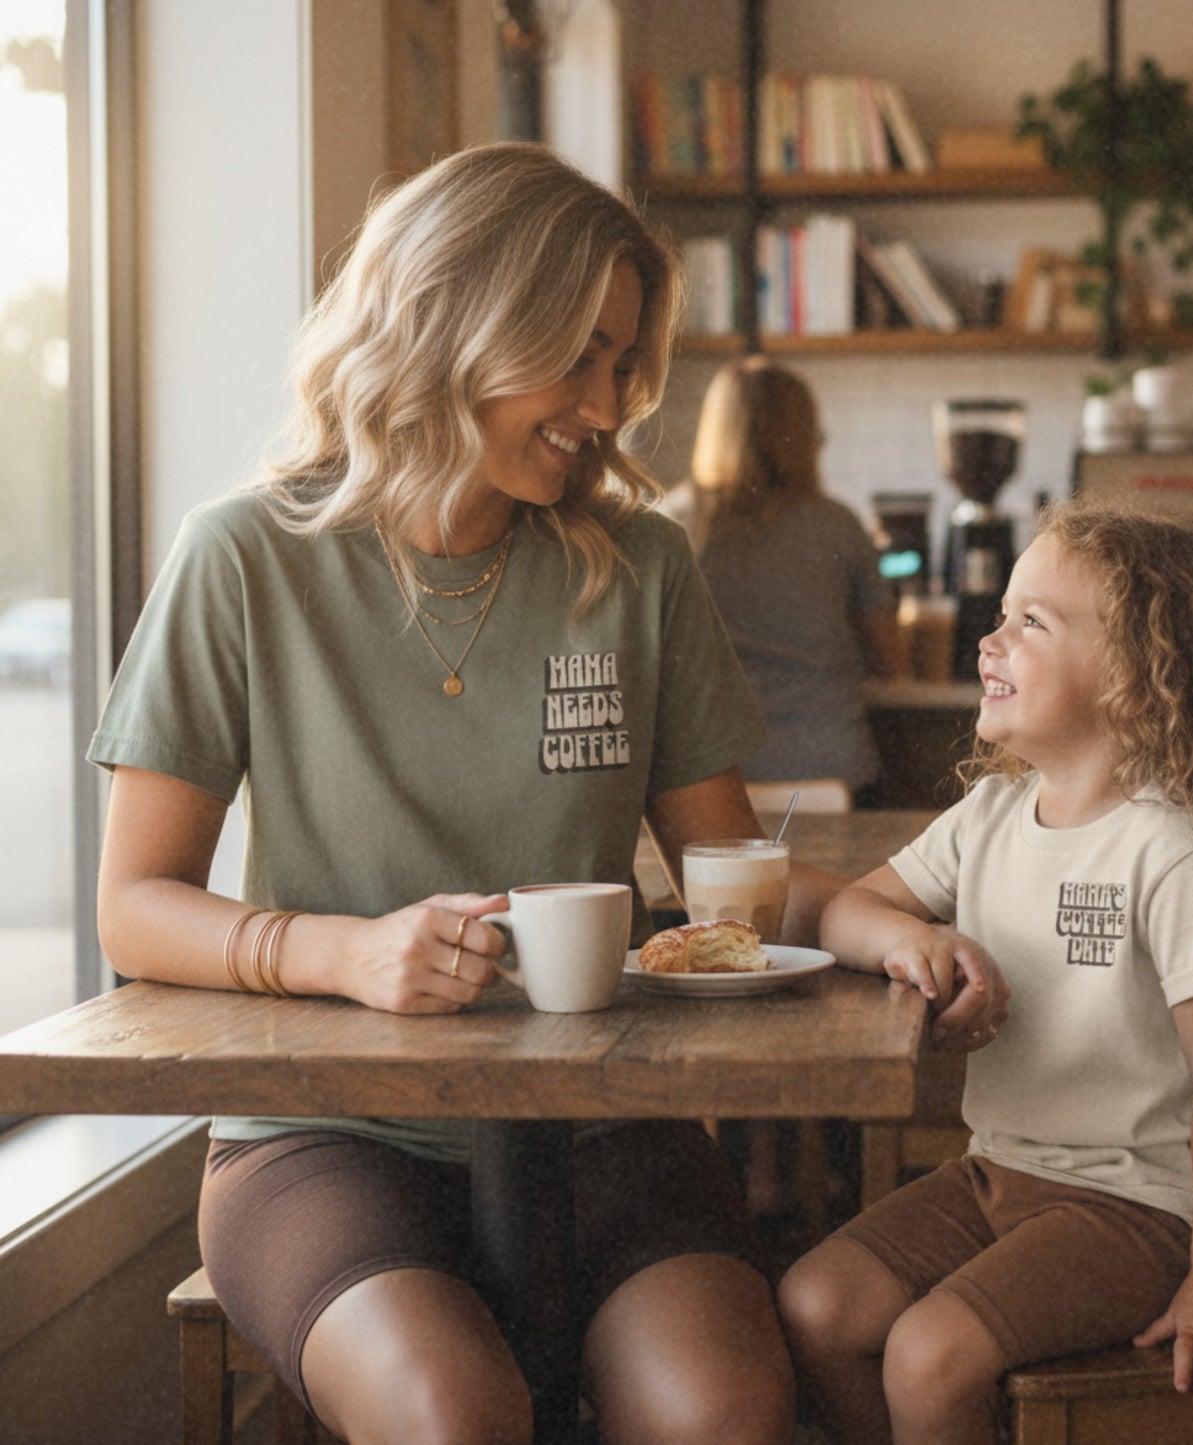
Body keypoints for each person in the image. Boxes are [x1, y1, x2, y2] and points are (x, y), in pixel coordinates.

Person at [87, 142, 833, 1445]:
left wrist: (893, 922)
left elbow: (728, 872)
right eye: (581, 356)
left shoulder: (639, 567)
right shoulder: (242, 559)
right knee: (453, 1417)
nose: (607, 407)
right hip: (323, 1140)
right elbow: (133, 909)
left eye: (622, 364)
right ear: (459, 322)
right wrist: (346, 956)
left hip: (608, 1123)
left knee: (721, 1409)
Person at [776, 499, 1193, 1444]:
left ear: (1133, 676)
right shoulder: (988, 817)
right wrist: (908, 939)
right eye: (1000, 613)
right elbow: (837, 909)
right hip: (995, 1174)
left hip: (1135, 1209)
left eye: (1029, 622)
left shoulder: (1171, 854)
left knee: (926, 1353)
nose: (989, 640)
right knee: (812, 1306)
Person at [664, 356, 904, 809]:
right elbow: (891, 662)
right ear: (806, 438)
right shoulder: (839, 526)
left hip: (714, 787)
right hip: (835, 775)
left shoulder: (671, 525)